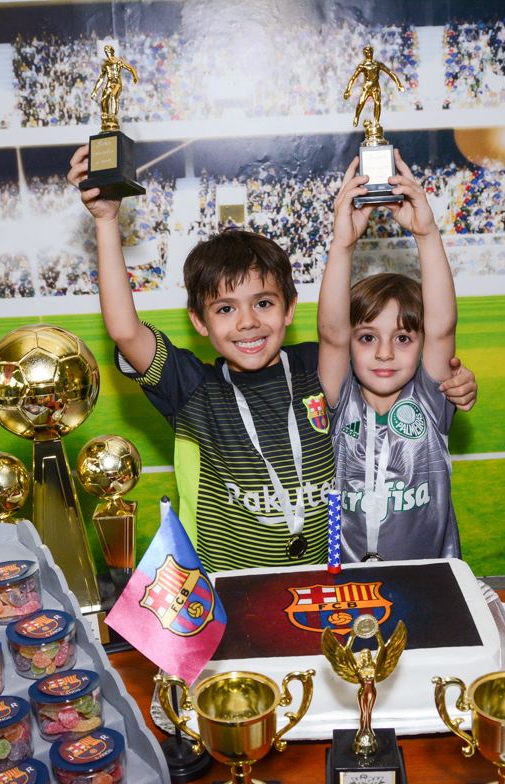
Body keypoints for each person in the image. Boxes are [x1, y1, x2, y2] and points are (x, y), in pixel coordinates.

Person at [67, 147, 476, 572]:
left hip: (318, 587)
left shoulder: (315, 369)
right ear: (199, 321)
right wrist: (106, 221)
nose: (247, 322)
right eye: (226, 308)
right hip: (228, 591)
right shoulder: (191, 387)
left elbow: (365, 338)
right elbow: (125, 331)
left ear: (289, 309)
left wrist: (456, 380)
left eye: (263, 303)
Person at [317, 152, 469, 562]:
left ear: (421, 345)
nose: (384, 353)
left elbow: (442, 327)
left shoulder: (431, 399)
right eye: (367, 337)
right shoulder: (338, 399)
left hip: (427, 580)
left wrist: (426, 233)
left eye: (402, 338)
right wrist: (343, 244)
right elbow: (331, 334)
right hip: (345, 580)